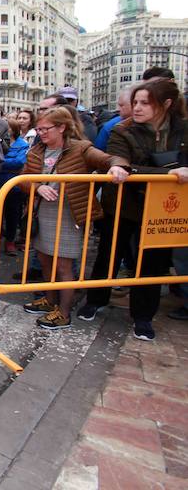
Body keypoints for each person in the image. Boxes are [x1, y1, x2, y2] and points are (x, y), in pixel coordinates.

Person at [81, 77, 188, 340]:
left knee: (154, 262)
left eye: (144, 103)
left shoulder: (183, 129)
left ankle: (143, 317)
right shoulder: (122, 129)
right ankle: (95, 300)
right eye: (135, 102)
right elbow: (121, 164)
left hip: (163, 209)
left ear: (166, 104)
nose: (137, 108)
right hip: (122, 203)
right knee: (109, 253)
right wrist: (170, 173)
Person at [19, 107, 129, 330]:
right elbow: (22, 178)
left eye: (45, 129)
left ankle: (64, 312)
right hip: (42, 212)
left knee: (63, 265)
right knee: (45, 260)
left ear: (62, 127)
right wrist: (37, 187)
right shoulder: (36, 151)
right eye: (38, 129)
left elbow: (110, 158)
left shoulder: (82, 148)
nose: (41, 133)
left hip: (70, 215)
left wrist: (117, 166)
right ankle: (50, 300)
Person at [0, 120, 29, 256]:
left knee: (12, 215)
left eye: (8, 128)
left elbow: (19, 162)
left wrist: (0, 162)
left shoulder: (22, 144)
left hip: (14, 186)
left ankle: (10, 241)